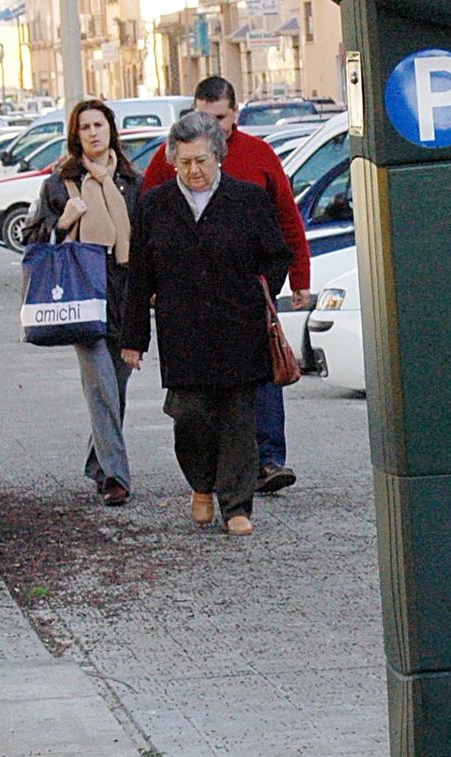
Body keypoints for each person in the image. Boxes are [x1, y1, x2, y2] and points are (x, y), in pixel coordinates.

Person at [122, 112, 293, 537]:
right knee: (191, 416)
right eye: (184, 163)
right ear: (173, 161)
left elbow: (276, 255)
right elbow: (139, 273)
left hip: (239, 327)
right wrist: (133, 339)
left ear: (218, 156)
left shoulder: (248, 199)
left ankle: (236, 505)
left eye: (201, 160)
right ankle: (201, 483)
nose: (194, 170)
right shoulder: (154, 204)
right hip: (183, 330)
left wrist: (258, 294)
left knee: (238, 417)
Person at [141, 76, 312, 496]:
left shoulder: (259, 155)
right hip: (192, 300)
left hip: (246, 292)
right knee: (198, 399)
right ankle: (213, 472)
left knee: (262, 372)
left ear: (235, 114)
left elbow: (287, 221)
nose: (211, 126)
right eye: (202, 116)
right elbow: (148, 220)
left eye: (218, 117)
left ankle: (269, 460)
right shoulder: (176, 157)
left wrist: (296, 280)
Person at [28, 99, 142, 508]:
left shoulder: (133, 180)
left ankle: (98, 465)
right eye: (84, 127)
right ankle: (117, 477)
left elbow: (144, 246)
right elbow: (33, 240)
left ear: (112, 130)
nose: (93, 133)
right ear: (75, 136)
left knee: (118, 391)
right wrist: (64, 220)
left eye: (99, 125)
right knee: (100, 389)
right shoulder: (60, 184)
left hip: (127, 298)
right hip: (83, 296)